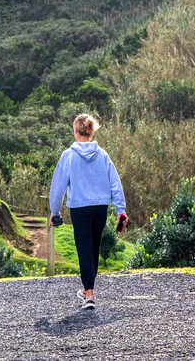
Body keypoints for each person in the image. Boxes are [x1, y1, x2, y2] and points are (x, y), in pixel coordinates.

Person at [48, 113, 127, 310]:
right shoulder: (103, 155)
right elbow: (115, 183)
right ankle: (86, 290)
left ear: (76, 131)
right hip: (100, 208)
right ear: (91, 132)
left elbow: (58, 187)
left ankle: (89, 295)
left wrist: (55, 212)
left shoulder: (68, 156)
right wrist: (121, 210)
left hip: (80, 208)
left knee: (84, 249)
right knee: (93, 249)